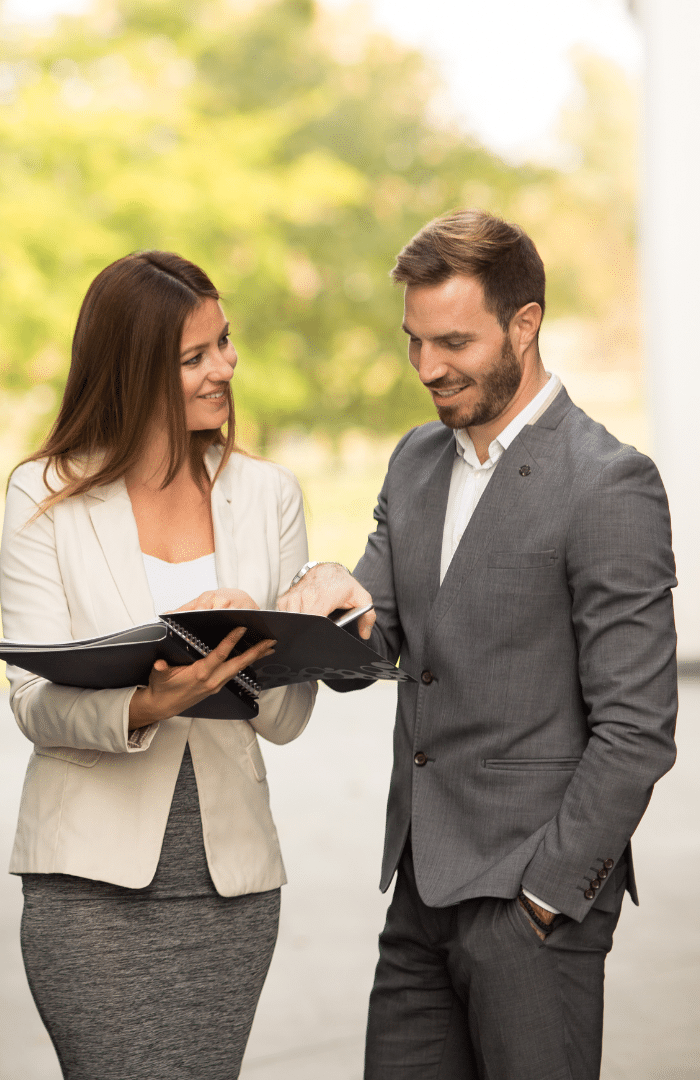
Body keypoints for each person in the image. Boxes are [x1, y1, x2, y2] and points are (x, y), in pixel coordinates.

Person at [278, 209, 678, 1079]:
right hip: (418, 894)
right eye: (414, 342)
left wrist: (545, 898)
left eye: (452, 342)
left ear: (524, 324)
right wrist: (328, 602)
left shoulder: (609, 484)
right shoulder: (415, 461)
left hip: (530, 910)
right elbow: (374, 646)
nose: (428, 367)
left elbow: (638, 728)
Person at [0, 251, 317, 1080]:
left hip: (231, 890)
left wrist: (268, 638)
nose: (227, 367)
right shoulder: (42, 495)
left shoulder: (269, 494)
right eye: (196, 356)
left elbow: (285, 721)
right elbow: (32, 700)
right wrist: (147, 704)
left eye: (225, 342)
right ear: (134, 371)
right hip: (88, 890)